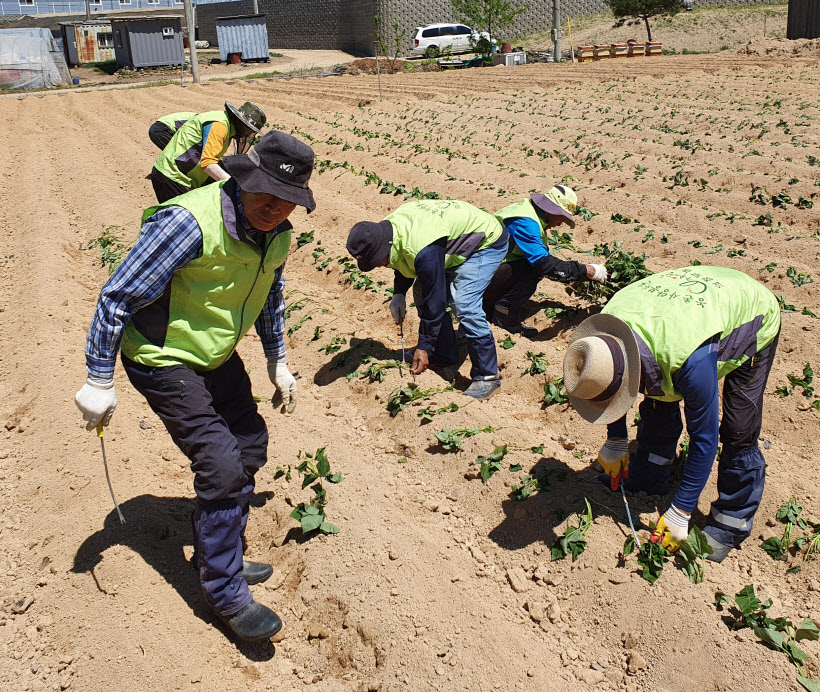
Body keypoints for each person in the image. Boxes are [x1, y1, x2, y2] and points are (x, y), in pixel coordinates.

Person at [74, 130, 316, 641]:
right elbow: (117, 296)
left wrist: (278, 359)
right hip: (163, 356)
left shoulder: (277, 232)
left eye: (289, 200)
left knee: (250, 445)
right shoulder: (188, 222)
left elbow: (271, 292)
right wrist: (99, 378)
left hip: (214, 353)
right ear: (246, 179)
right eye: (268, 194)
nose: (276, 208)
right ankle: (223, 591)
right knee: (221, 461)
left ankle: (217, 551)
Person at [562, 266, 780, 563]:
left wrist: (681, 510)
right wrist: (616, 439)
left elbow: (705, 439)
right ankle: (650, 475)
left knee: (738, 428)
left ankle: (731, 521)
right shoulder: (605, 337)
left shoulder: (689, 363)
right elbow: (612, 388)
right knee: (657, 398)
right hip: (676, 315)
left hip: (750, 315)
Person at [346, 199, 509, 400]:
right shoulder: (388, 230)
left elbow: (436, 299)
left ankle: (487, 377)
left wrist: (423, 346)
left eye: (378, 260)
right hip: (446, 242)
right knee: (421, 292)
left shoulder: (422, 249)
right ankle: (443, 355)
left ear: (383, 247)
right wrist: (399, 294)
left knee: (464, 303)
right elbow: (403, 258)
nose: (379, 265)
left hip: (484, 241)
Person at [483, 186, 607, 337]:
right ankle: (504, 318)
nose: (561, 223)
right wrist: (585, 270)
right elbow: (545, 265)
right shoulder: (526, 222)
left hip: (484, 268)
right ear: (551, 210)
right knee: (533, 268)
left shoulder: (529, 211)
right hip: (478, 275)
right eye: (562, 217)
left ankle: (488, 307)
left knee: (528, 264)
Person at [151, 101, 266, 204]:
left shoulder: (225, 124)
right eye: (250, 130)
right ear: (242, 123)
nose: (249, 135)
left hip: (179, 177)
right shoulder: (220, 125)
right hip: (172, 176)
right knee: (186, 220)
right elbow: (208, 163)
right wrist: (235, 186)